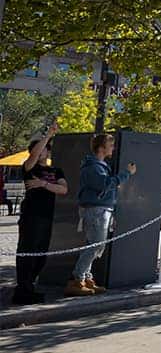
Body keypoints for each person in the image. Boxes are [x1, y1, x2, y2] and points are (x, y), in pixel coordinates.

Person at [70, 133, 137, 296]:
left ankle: (86, 278)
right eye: (110, 145)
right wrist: (126, 174)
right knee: (96, 245)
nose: (113, 148)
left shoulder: (99, 165)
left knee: (94, 245)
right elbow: (104, 184)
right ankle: (78, 279)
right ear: (101, 148)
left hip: (101, 209)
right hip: (96, 210)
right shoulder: (94, 166)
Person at [13, 125, 67, 305]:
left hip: (47, 216)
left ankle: (30, 286)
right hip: (31, 216)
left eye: (45, 149)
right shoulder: (29, 168)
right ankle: (23, 290)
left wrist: (43, 185)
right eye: (39, 149)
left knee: (41, 255)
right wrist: (49, 135)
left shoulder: (56, 171)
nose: (42, 152)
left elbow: (63, 189)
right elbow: (33, 156)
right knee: (27, 252)